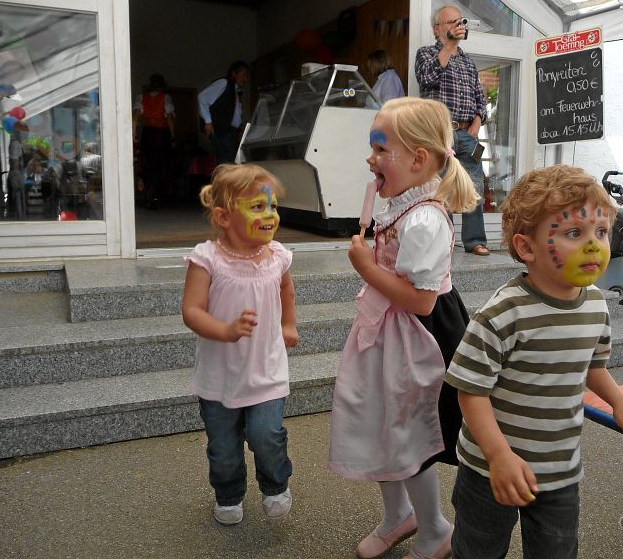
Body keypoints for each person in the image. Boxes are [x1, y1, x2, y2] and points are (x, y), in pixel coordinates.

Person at [445, 164, 623, 559]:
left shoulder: (596, 305)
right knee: (478, 548)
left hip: (560, 466)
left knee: (557, 550)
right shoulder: (503, 313)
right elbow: (470, 392)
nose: (595, 245)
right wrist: (499, 456)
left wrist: (620, 402)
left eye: (600, 232)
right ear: (527, 247)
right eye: (573, 233)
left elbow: (593, 367)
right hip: (489, 466)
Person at [328, 97, 479, 559]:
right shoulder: (398, 203)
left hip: (418, 337)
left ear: (417, 159)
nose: (370, 158)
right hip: (387, 329)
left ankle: (434, 528)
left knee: (408, 436)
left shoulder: (426, 219)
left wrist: (364, 267)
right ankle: (400, 517)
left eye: (379, 148)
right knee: (381, 425)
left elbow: (421, 299)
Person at [181, 163, 299, 526]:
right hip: (220, 377)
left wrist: (288, 323)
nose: (269, 215)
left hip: (266, 369)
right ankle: (229, 493)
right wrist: (225, 330)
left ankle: (275, 484)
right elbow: (191, 310)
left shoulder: (277, 256)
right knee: (223, 448)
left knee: (267, 436)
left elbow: (285, 289)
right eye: (258, 207)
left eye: (273, 206)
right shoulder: (207, 259)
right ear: (223, 217)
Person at [415, 5, 490, 257]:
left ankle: (475, 241)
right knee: (440, 188)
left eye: (459, 22)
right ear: (437, 28)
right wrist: (447, 46)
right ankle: (442, 242)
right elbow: (426, 79)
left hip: (467, 134)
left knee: (474, 186)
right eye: (450, 22)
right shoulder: (426, 53)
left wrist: (477, 124)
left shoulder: (468, 62)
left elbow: (481, 99)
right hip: (439, 133)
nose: (457, 26)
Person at [133, 73, 175, 209]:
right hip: (161, 133)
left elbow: (135, 117)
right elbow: (169, 117)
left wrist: (134, 134)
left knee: (146, 162)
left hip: (147, 132)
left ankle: (147, 194)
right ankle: (154, 196)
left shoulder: (141, 97)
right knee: (160, 164)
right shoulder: (166, 97)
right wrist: (173, 136)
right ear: (162, 85)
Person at [198, 61, 250, 165]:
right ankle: (225, 181)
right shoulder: (224, 83)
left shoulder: (234, 90)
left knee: (230, 162)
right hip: (223, 131)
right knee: (227, 162)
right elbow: (202, 98)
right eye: (243, 75)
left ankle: (226, 180)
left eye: (246, 76)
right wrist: (208, 122)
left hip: (230, 132)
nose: (245, 79)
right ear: (234, 73)